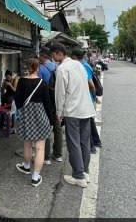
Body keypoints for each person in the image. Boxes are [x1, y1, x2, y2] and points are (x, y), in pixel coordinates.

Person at [51, 43, 96, 188]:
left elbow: (60, 93)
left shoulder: (62, 69)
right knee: (84, 141)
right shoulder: (79, 65)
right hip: (86, 109)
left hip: (73, 110)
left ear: (59, 53)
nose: (53, 58)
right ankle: (85, 172)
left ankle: (78, 175)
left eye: (53, 55)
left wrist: (59, 112)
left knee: (73, 142)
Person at [14, 57, 54, 187]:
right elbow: (47, 104)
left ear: (27, 67)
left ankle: (26, 166)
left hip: (27, 116)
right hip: (41, 116)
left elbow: (18, 100)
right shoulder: (42, 83)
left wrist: (24, 111)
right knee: (40, 148)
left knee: (27, 145)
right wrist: (51, 120)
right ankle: (35, 177)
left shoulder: (21, 82)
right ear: (37, 68)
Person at [71, 49, 102, 153]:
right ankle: (96, 142)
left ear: (75, 57)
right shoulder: (85, 64)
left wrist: (92, 96)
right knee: (89, 122)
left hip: (86, 98)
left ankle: (92, 146)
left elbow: (91, 84)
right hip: (87, 98)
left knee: (86, 125)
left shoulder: (83, 66)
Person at [38, 47, 62, 164]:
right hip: (56, 100)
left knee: (45, 126)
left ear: (43, 56)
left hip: (46, 101)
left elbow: (38, 86)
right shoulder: (57, 67)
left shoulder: (41, 68)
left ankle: (46, 157)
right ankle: (58, 154)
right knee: (57, 127)